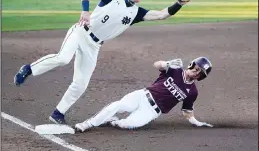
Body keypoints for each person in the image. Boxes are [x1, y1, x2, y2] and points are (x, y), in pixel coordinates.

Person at [14, 0, 192, 124]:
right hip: (81, 31)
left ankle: (58, 113)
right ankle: (29, 69)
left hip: (94, 46)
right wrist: (84, 11)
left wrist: (179, 3)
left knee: (81, 83)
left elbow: (161, 14)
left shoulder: (136, 13)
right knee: (63, 58)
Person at [75, 57, 213, 132]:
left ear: (201, 77)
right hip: (142, 95)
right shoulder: (175, 70)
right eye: (195, 69)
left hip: (152, 111)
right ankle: (87, 124)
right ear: (191, 65)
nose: (195, 72)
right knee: (118, 105)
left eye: (199, 73)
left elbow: (187, 112)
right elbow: (157, 65)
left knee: (126, 125)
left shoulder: (192, 92)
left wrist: (197, 123)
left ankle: (111, 120)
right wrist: (166, 63)